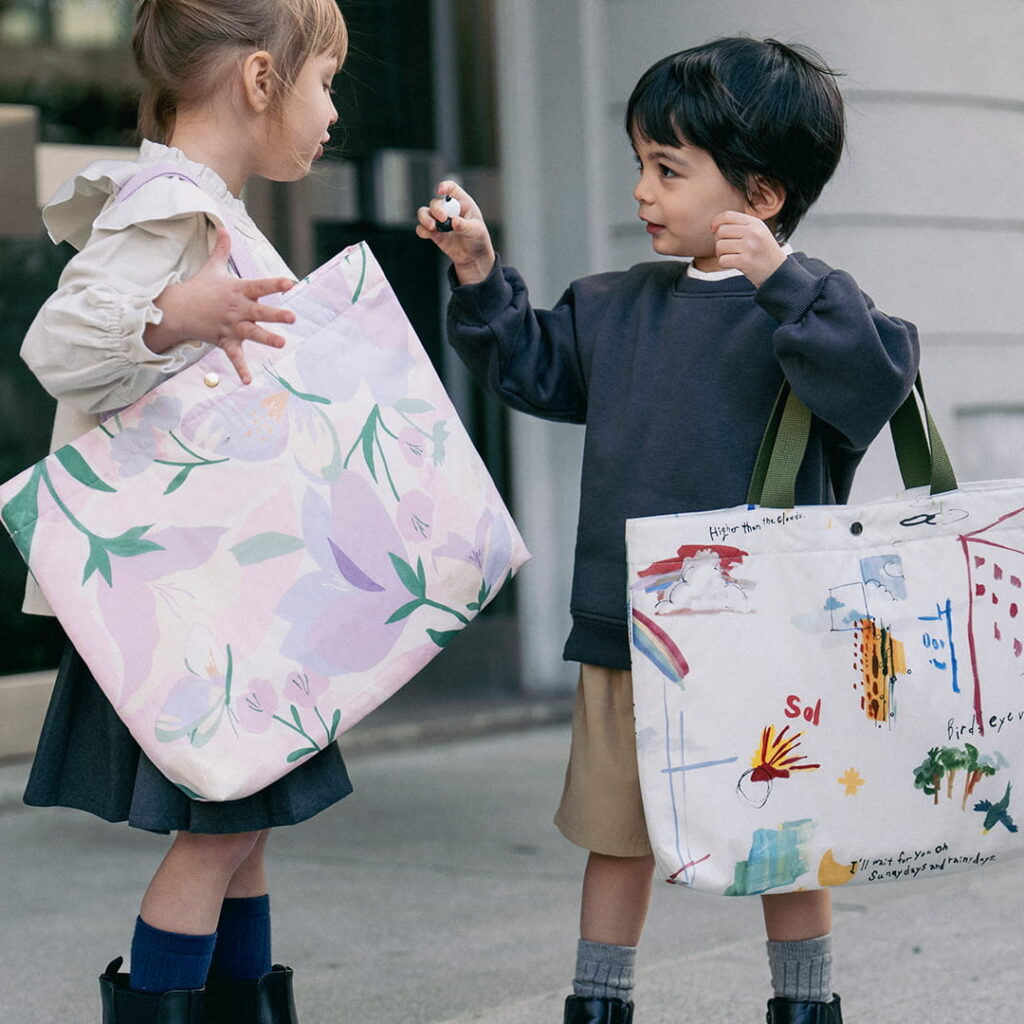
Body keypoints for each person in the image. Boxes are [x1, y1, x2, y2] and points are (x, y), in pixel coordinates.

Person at [417, 36, 919, 1024]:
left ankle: (804, 1006)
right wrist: (478, 271)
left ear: (760, 195)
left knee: (784, 835)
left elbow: (870, 386)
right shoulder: (617, 307)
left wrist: (782, 281)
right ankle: (598, 1002)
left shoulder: (814, 307)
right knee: (618, 834)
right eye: (640, 164)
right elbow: (530, 366)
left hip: (772, 641)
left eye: (668, 169)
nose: (643, 191)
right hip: (630, 631)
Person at [19, 1, 348, 1021]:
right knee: (220, 834)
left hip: (222, 588)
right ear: (260, 80)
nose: (333, 111)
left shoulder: (205, 208)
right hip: (191, 598)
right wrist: (170, 318)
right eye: (325, 82)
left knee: (242, 833)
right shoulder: (167, 206)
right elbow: (56, 342)